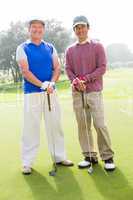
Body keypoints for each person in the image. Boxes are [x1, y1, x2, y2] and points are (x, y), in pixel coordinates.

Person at [16, 18, 73, 175]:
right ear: (29, 30)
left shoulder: (50, 47)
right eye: (33, 28)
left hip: (50, 92)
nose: (37, 30)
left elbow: (57, 67)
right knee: (31, 128)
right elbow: (25, 71)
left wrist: (51, 84)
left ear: (43, 30)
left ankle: (59, 157)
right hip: (32, 93)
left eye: (40, 28)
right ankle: (27, 163)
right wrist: (42, 85)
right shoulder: (22, 48)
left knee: (55, 125)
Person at [65, 15, 115, 171]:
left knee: (99, 124)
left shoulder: (97, 46)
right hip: (77, 93)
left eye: (82, 27)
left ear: (88, 27)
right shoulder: (70, 49)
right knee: (83, 125)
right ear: (74, 30)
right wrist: (75, 81)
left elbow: (102, 68)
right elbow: (68, 69)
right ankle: (89, 156)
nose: (80, 30)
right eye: (77, 27)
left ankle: (107, 157)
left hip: (94, 91)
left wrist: (84, 80)